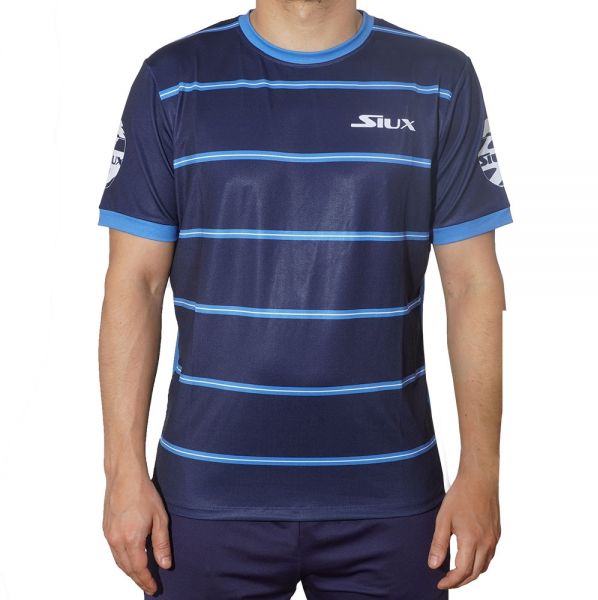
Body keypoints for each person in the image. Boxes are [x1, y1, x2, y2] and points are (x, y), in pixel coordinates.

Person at [97, 1, 512, 598]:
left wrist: (481, 474)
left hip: (390, 495)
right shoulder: (173, 79)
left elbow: (472, 285)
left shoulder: (438, 79)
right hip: (203, 495)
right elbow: (133, 284)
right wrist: (122, 473)